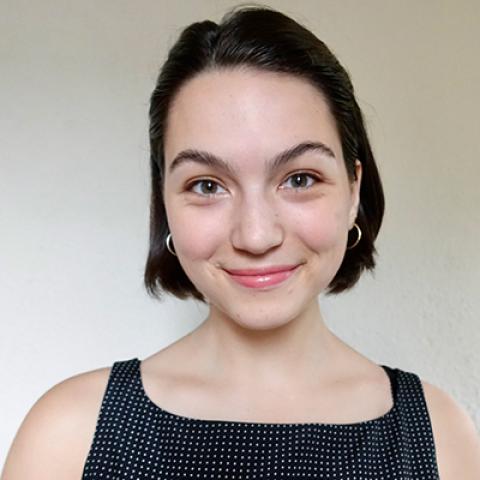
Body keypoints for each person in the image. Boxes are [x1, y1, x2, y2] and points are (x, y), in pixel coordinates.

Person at [2, 5, 480, 480]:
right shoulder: (68, 436)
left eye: (300, 178)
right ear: (164, 198)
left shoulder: (440, 439)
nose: (255, 235)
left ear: (354, 191)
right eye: (207, 185)